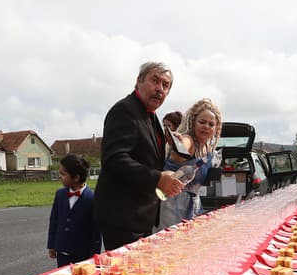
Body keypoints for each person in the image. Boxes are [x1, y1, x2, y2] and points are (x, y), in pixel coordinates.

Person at [94, 61, 183, 250]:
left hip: (141, 215)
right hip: (123, 216)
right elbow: (114, 159)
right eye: (155, 81)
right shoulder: (124, 110)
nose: (160, 89)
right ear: (139, 81)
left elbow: (144, 155)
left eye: (165, 85)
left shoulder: (150, 115)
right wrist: (157, 178)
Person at [158, 98, 222, 229]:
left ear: (216, 128)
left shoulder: (208, 149)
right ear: (193, 123)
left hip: (194, 205)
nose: (206, 126)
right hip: (172, 206)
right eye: (202, 122)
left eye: (211, 124)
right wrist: (179, 141)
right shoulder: (189, 140)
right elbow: (183, 145)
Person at [47, 154, 102, 267]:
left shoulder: (92, 198)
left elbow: (95, 230)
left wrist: (94, 255)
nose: (59, 176)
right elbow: (54, 220)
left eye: (63, 174)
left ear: (76, 177)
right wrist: (52, 244)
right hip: (62, 251)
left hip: (83, 253)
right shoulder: (60, 194)